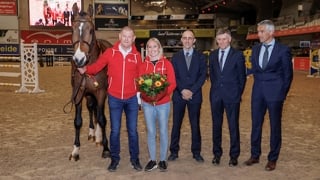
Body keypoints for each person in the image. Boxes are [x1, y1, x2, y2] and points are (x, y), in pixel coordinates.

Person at [77, 26, 143, 172]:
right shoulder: (110, 52)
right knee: (115, 131)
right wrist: (85, 70)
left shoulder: (137, 56)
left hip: (131, 99)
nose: (126, 39)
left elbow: (139, 78)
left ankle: (135, 159)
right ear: (119, 36)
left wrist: (139, 97)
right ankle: (115, 159)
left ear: (133, 39)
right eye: (124, 36)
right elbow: (97, 66)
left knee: (132, 131)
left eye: (129, 37)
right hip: (115, 99)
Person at [244, 20, 293, 171]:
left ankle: (273, 158)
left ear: (271, 32)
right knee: (256, 124)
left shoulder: (283, 50)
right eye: (258, 31)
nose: (258, 34)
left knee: (275, 126)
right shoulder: (256, 48)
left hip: (275, 94)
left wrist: (281, 93)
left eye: (262, 31)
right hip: (257, 92)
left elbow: (288, 75)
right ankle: (255, 155)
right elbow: (254, 70)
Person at [208, 28, 247, 167]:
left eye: (224, 39)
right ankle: (216, 154)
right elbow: (212, 76)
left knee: (233, 126)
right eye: (219, 39)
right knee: (216, 126)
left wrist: (237, 94)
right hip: (216, 96)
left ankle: (234, 155)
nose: (221, 42)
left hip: (232, 96)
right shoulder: (212, 56)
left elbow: (242, 78)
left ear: (229, 39)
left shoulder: (238, 55)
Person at [168, 30, 207, 162]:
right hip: (179, 95)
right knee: (176, 124)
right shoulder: (175, 57)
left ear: (194, 40)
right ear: (181, 40)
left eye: (190, 38)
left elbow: (203, 76)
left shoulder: (201, 57)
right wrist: (182, 90)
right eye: (185, 38)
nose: (187, 40)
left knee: (195, 124)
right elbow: (173, 76)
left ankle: (196, 152)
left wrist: (192, 91)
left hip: (195, 96)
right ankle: (174, 151)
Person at [138, 38, 176, 172]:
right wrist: (146, 96)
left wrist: (161, 95)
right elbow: (140, 84)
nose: (152, 49)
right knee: (151, 131)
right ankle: (152, 159)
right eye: (149, 47)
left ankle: (163, 160)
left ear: (159, 48)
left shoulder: (167, 64)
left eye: (155, 47)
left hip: (163, 103)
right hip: (148, 104)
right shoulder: (143, 65)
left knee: (163, 130)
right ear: (146, 49)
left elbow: (172, 83)